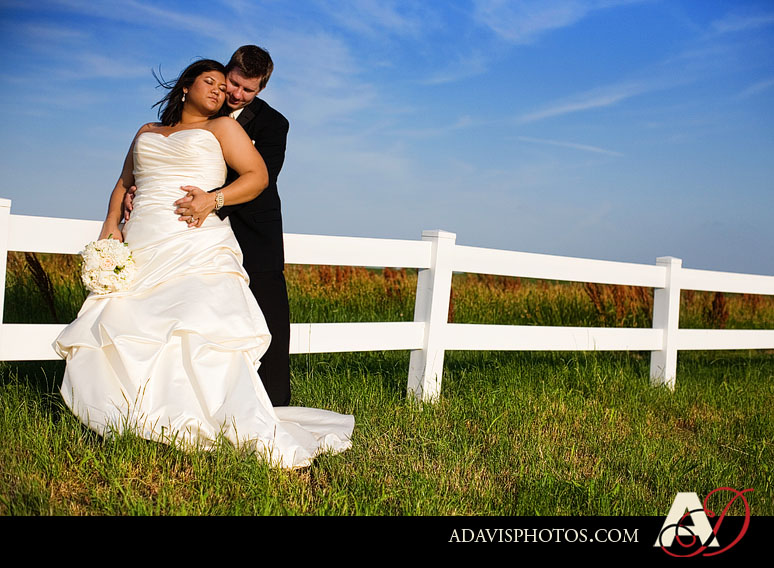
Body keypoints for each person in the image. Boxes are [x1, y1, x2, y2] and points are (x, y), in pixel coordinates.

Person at [54, 59, 353, 469]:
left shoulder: (226, 129)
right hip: (144, 237)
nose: (221, 91)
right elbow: (125, 181)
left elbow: (259, 177)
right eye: (210, 82)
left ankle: (200, 417)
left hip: (196, 240)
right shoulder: (146, 132)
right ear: (184, 88)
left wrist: (211, 200)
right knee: (128, 321)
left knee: (196, 319)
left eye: (225, 85)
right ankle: (131, 413)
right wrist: (112, 225)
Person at [125, 45, 292, 407]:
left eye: (247, 90)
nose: (235, 94)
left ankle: (273, 405)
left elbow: (262, 178)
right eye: (233, 83)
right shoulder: (195, 113)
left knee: (267, 323)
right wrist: (151, 185)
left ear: (260, 90)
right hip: (187, 228)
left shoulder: (273, 124)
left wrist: (210, 198)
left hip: (250, 230)